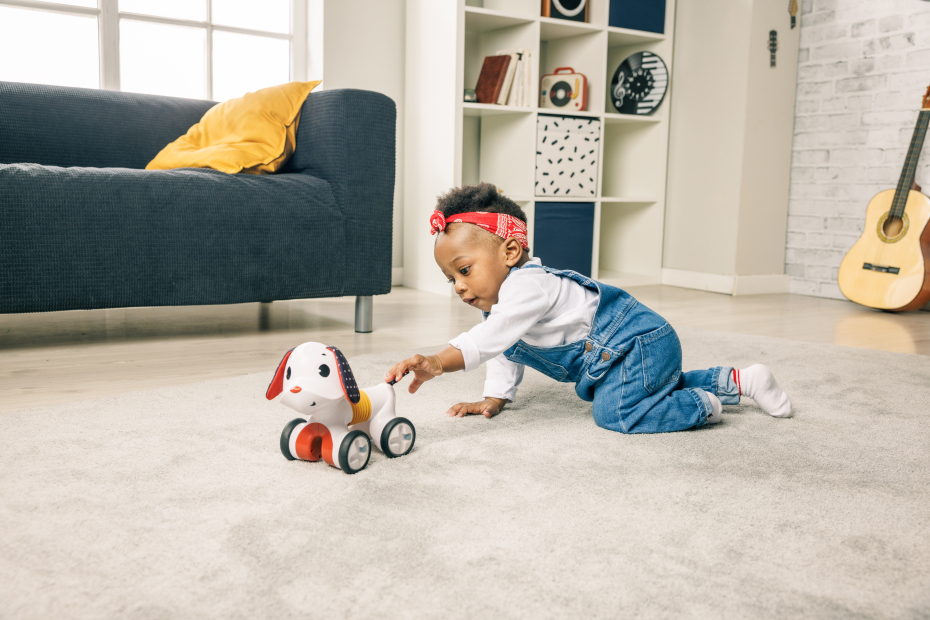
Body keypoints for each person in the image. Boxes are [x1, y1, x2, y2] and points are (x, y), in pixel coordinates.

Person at [384, 183, 792, 433]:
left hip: (638, 342)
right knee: (645, 388)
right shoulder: (503, 308)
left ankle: (703, 406)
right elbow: (504, 348)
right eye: (451, 279)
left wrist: (438, 361)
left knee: (615, 413)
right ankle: (741, 381)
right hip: (625, 359)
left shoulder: (529, 286)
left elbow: (488, 340)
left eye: (464, 270)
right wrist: (495, 399)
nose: (459, 287)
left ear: (510, 251)